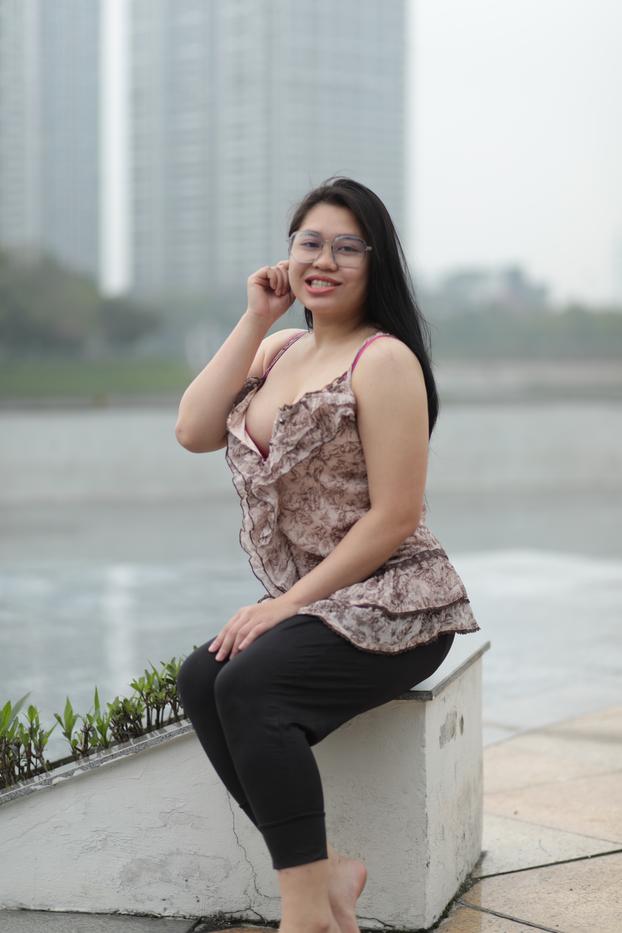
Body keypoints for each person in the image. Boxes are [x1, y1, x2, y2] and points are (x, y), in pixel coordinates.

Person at [174, 176, 480, 933]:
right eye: (310, 242)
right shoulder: (279, 348)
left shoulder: (384, 359)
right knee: (203, 676)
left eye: (348, 247)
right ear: (288, 255)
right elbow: (193, 429)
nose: (325, 260)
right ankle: (327, 873)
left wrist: (282, 606)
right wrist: (256, 317)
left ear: (376, 264)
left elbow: (395, 516)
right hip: (320, 601)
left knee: (252, 686)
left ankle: (306, 914)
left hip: (400, 601)